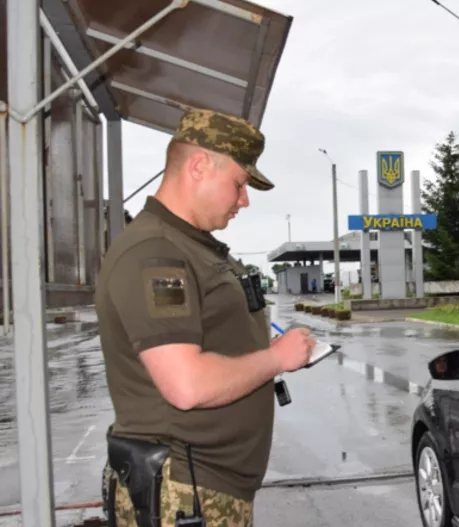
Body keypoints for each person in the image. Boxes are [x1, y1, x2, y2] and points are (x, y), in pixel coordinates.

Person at [96, 107, 315, 526]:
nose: (244, 200)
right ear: (198, 166)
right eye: (239, 184)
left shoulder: (190, 247)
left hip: (204, 489)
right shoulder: (155, 253)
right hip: (183, 494)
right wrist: (276, 358)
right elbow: (186, 384)